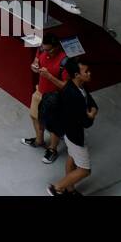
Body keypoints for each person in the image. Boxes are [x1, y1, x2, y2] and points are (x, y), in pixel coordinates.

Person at [49, 57, 96, 195]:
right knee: (84, 170)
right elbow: (86, 122)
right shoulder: (74, 96)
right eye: (86, 71)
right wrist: (92, 115)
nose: (89, 73)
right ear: (77, 75)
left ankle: (70, 189)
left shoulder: (77, 86)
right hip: (75, 136)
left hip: (69, 133)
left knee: (71, 158)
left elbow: (91, 102)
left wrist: (92, 110)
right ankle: (57, 187)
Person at [23, 33, 67, 164]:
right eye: (44, 48)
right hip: (40, 92)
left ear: (57, 46)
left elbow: (66, 86)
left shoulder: (64, 61)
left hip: (55, 98)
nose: (46, 51)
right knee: (34, 116)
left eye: (49, 49)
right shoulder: (42, 49)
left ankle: (52, 149)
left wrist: (50, 77)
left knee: (54, 125)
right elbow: (36, 61)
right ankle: (39, 140)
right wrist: (34, 66)